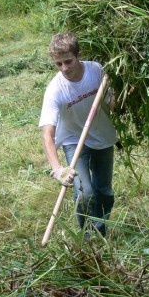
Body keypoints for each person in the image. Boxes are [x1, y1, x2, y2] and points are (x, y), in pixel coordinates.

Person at [39, 32, 118, 239]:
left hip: (102, 136)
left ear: (79, 55)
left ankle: (101, 234)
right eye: (58, 64)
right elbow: (48, 133)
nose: (64, 68)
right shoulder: (55, 90)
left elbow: (113, 104)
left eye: (68, 61)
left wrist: (120, 96)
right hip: (74, 140)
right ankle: (87, 237)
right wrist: (57, 169)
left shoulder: (97, 70)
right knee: (85, 194)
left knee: (104, 193)